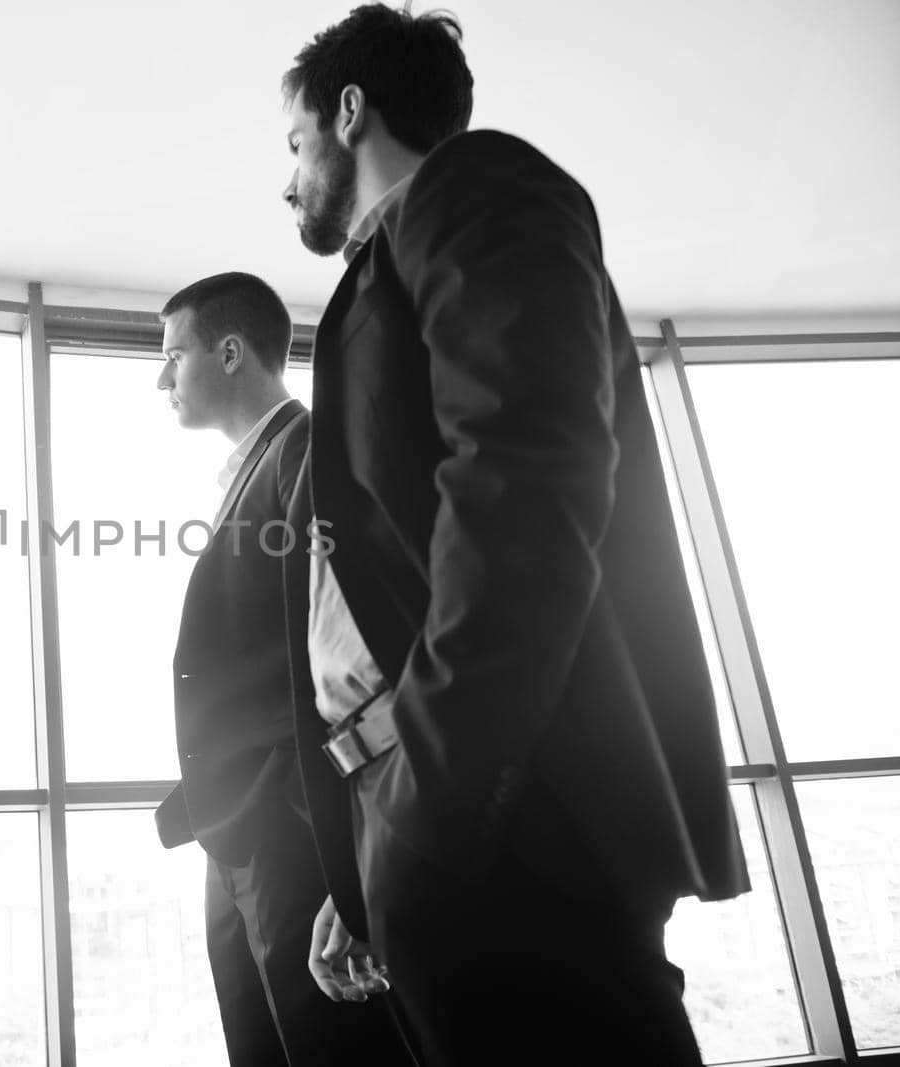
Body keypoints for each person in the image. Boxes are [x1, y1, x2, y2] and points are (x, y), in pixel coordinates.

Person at [277, 6, 749, 1064]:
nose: (288, 175)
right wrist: (363, 868)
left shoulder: (470, 184)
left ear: (349, 110)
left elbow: (524, 482)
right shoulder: (382, 268)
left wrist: (432, 802)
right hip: (428, 804)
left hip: (502, 810)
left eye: (293, 141)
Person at [152, 272, 417, 1066]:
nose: (162, 378)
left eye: (174, 355)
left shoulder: (309, 455)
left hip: (297, 825)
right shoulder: (252, 465)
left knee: (332, 1046)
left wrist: (353, 861)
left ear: (229, 353)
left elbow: (362, 663)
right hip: (236, 825)